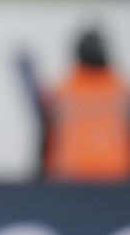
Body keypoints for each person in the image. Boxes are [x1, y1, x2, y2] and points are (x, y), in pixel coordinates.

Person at [42, 27, 130, 182]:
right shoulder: (122, 90)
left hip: (71, 175)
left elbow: (46, 136)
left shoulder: (61, 91)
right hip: (115, 175)